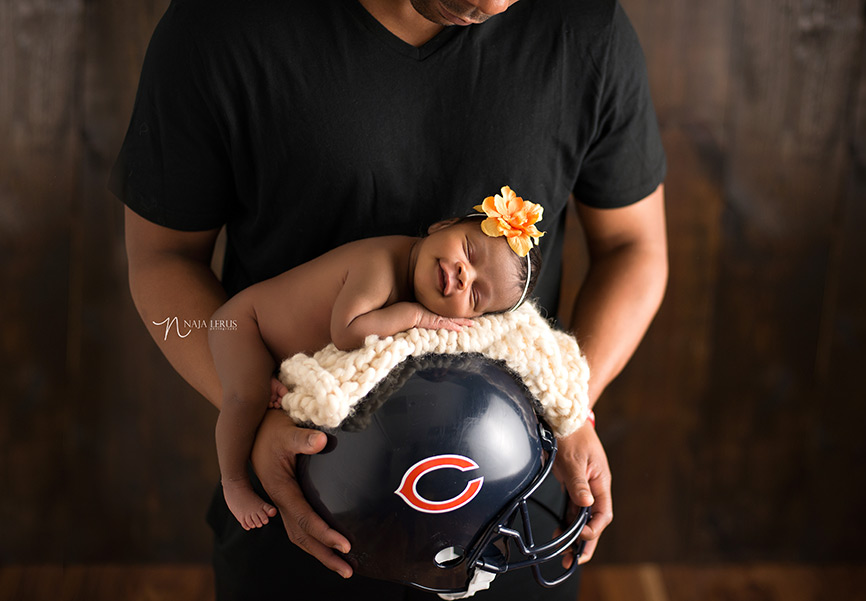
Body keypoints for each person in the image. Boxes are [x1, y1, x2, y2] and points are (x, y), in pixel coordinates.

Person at [111, 0, 668, 599]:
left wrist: (571, 410)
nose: (490, 3)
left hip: (511, 514)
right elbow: (163, 260)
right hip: (298, 504)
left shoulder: (585, 27)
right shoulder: (221, 23)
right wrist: (259, 412)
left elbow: (634, 248)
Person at [211, 190, 544, 531]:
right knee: (247, 396)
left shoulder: (411, 272)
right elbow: (347, 332)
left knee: (263, 390)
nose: (463, 275)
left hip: (272, 350)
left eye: (475, 295)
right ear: (442, 226)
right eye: (469, 251)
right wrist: (417, 316)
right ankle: (233, 482)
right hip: (245, 326)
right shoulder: (381, 265)